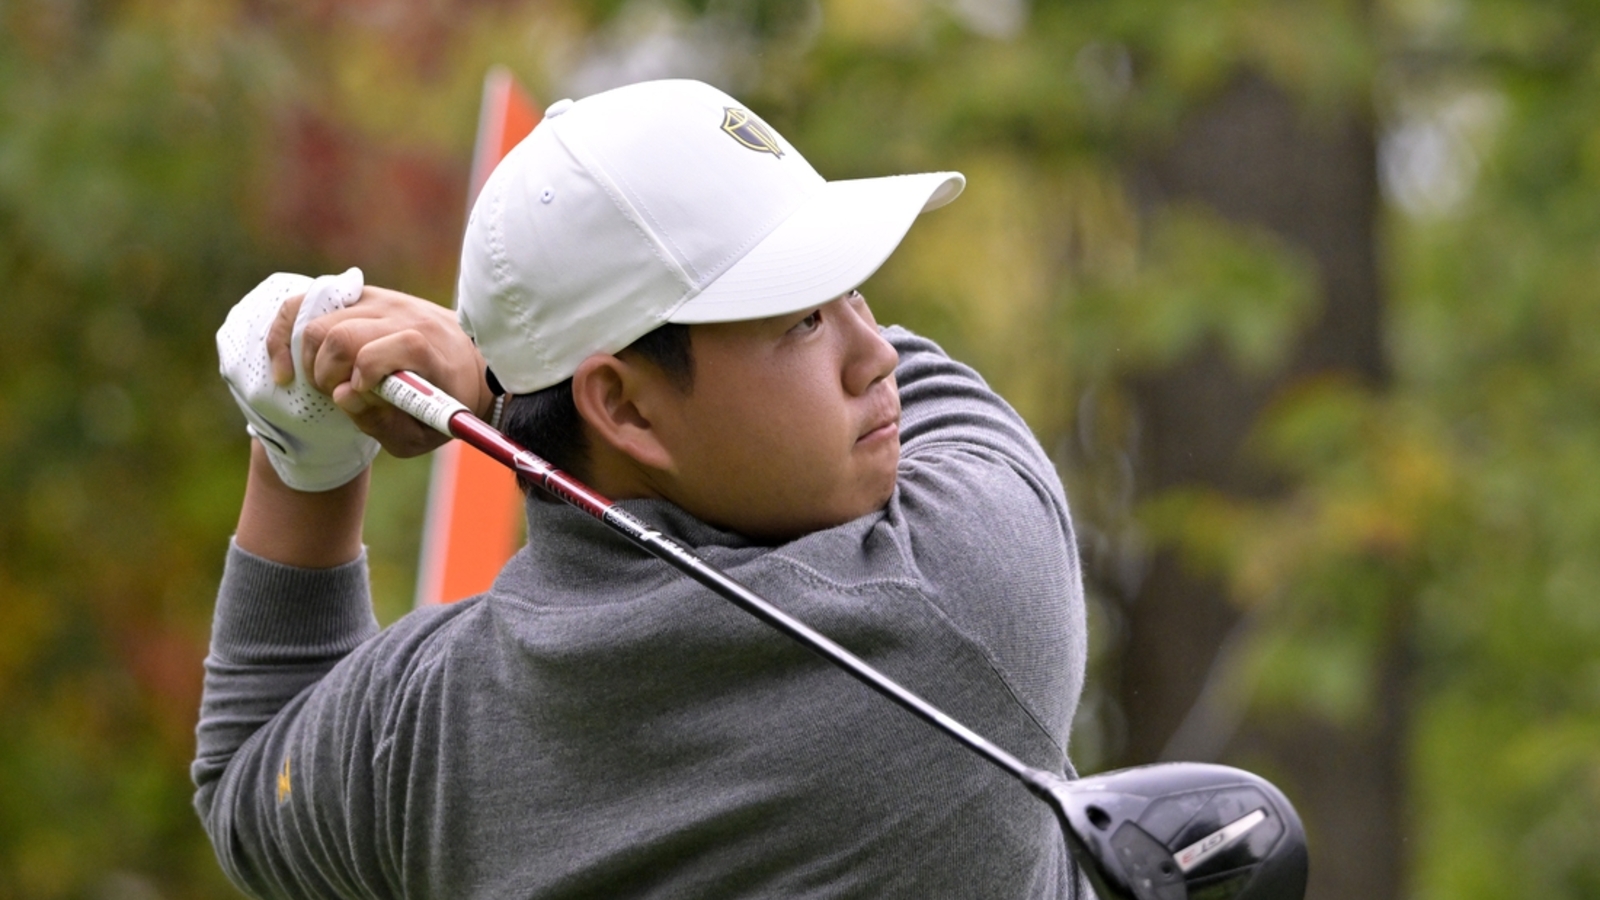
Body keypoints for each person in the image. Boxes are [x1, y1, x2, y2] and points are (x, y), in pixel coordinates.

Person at [195, 79, 1091, 898]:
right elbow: (939, 397)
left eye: (853, 293)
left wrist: (304, 448)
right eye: (807, 318)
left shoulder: (433, 731)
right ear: (623, 408)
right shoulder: (958, 596)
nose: (876, 355)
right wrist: (495, 390)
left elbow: (249, 772)